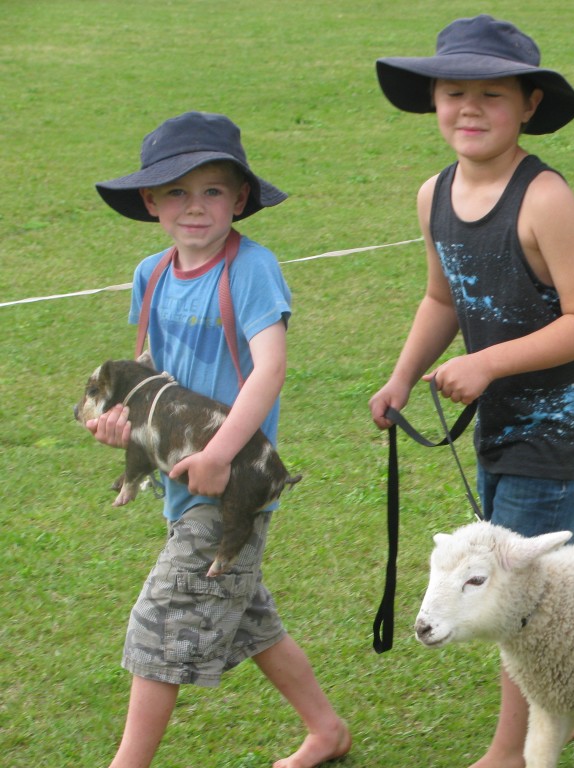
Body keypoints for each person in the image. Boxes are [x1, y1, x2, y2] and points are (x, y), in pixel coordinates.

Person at [369, 15, 574, 768]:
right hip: (497, 422)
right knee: (534, 582)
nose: (469, 108)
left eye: (492, 95)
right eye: (454, 93)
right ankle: (572, 703)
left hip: (560, 429)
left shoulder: (544, 198)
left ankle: (511, 750)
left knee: (510, 595)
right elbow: (442, 297)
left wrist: (488, 364)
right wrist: (402, 376)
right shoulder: (433, 195)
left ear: (529, 105)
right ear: (433, 101)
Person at [88, 111, 350, 768]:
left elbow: (270, 369)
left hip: (230, 483)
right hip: (185, 480)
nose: (194, 206)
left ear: (239, 198)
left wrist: (219, 452)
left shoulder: (252, 270)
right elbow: (152, 372)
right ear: (151, 202)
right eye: (176, 192)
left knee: (163, 620)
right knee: (248, 615)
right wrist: (121, 422)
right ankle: (326, 730)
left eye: (212, 190)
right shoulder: (151, 274)